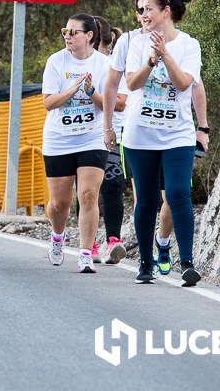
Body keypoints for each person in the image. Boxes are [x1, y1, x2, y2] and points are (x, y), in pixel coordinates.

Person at [103, 0, 211, 276]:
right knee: (147, 199)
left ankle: (187, 262)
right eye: (139, 10)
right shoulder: (134, 42)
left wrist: (166, 55)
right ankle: (146, 263)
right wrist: (152, 60)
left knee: (177, 194)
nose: (143, 15)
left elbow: (186, 83)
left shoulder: (189, 45)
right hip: (140, 134)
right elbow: (132, 84)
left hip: (177, 134)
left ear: (166, 10)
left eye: (148, 9)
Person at [42, 14, 111, 273]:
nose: (67, 36)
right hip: (59, 138)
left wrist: (92, 92)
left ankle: (85, 253)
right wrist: (73, 89)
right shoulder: (56, 61)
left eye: (73, 32)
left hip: (92, 136)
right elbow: (48, 102)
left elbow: (114, 104)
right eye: (65, 32)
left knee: (88, 195)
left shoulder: (104, 64)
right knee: (59, 204)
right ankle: (57, 237)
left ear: (89, 36)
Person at [92, 17, 128, 264]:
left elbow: (121, 102)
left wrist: (90, 93)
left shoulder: (114, 64)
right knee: (88, 190)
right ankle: (90, 241)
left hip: (114, 132)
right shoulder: (71, 63)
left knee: (114, 184)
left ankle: (113, 241)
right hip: (84, 135)